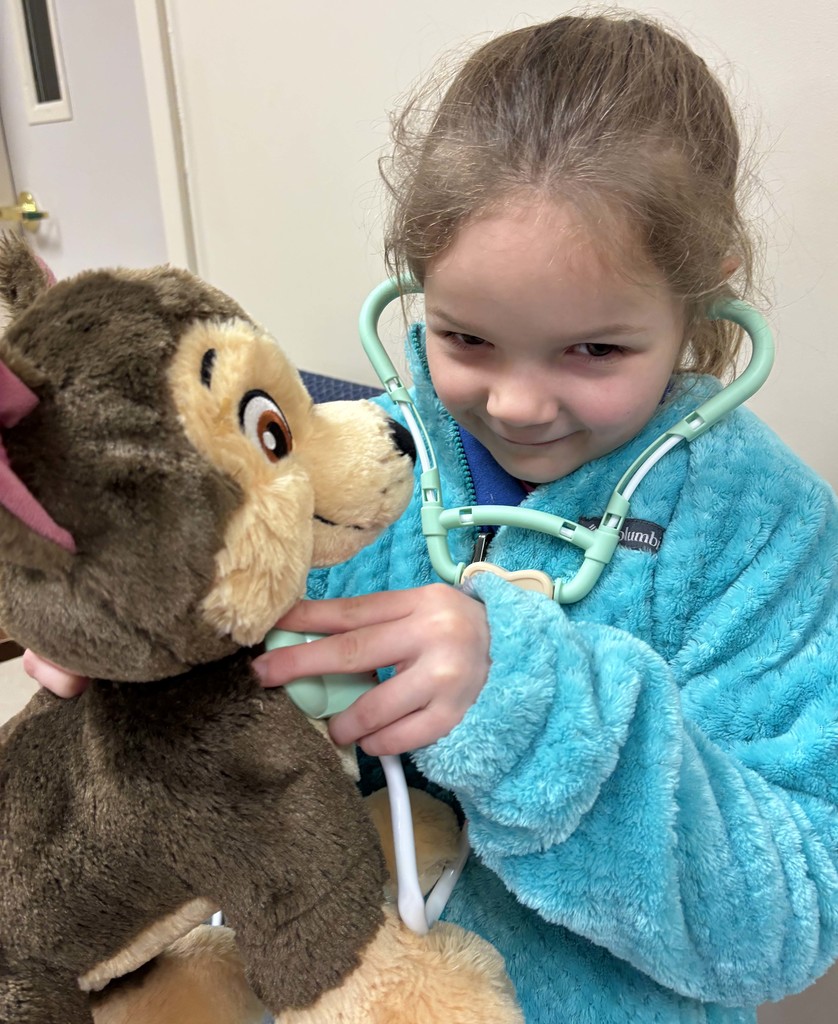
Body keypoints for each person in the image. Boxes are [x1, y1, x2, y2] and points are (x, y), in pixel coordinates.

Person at [23, 14, 838, 1023]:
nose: (518, 403)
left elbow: (789, 922)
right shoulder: (331, 467)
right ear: (415, 286)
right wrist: (123, 646)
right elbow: (219, 718)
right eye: (465, 337)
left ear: (700, 302)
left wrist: (536, 714)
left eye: (594, 351)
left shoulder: (764, 532)